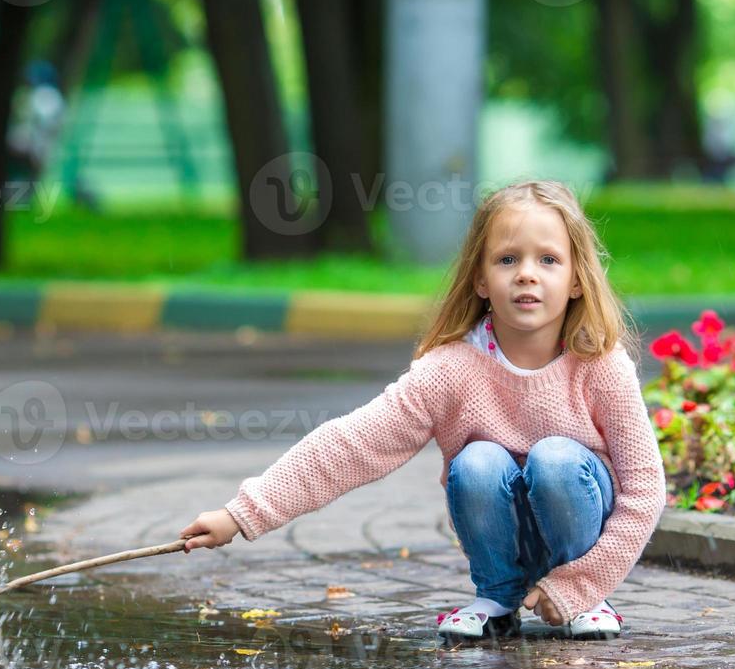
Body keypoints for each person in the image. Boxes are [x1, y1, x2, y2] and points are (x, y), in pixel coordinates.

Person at [179, 180, 667, 644]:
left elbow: (645, 488)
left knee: (556, 458)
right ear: (479, 278)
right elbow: (354, 443)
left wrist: (583, 582)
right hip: (501, 534)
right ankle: (498, 598)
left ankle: (585, 605)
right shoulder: (451, 368)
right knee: (476, 462)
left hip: (581, 530)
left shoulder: (600, 365)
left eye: (548, 260)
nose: (527, 273)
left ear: (578, 279)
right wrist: (241, 514)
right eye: (508, 259)